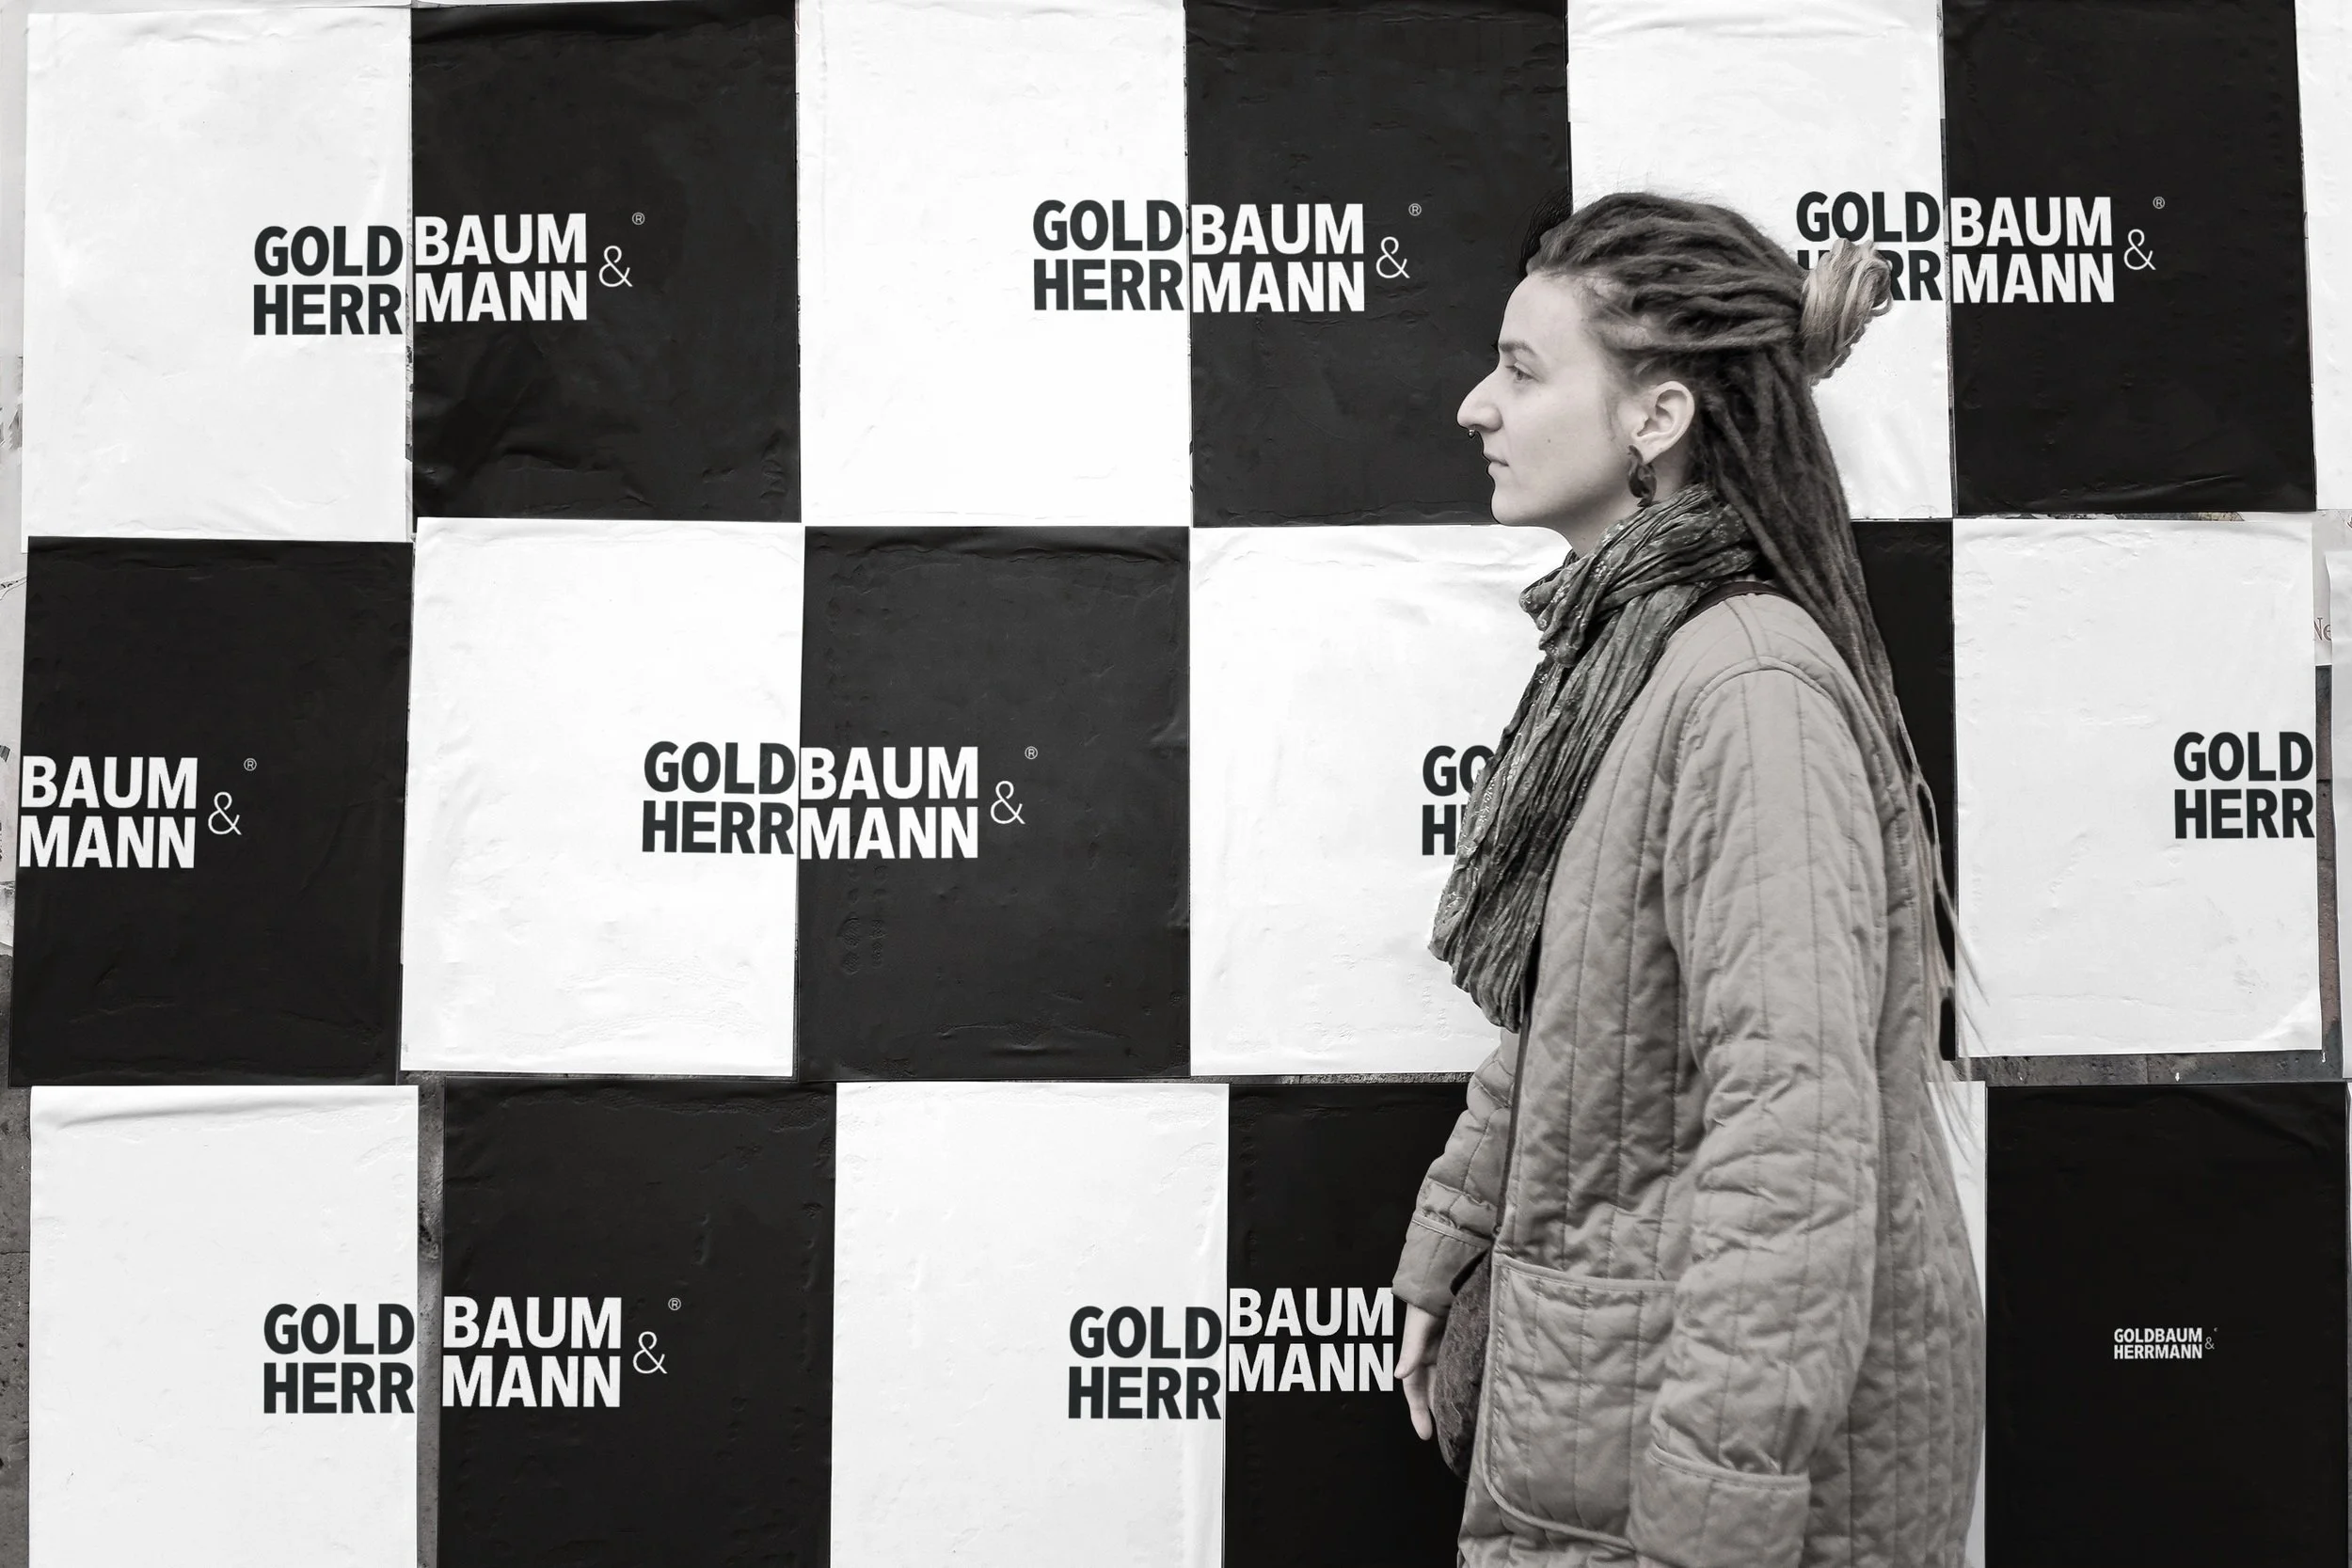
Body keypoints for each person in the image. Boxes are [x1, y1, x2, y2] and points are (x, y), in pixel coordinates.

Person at [1391, 191, 1982, 1568]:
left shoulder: (1747, 690)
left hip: (1690, 1495)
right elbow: (1576, 1011)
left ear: (1655, 421)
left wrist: (1715, 1516)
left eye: (1523, 369)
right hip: (1604, 1432)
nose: (1477, 405)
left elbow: (1796, 1146)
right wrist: (1460, 1226)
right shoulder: (1635, 662)